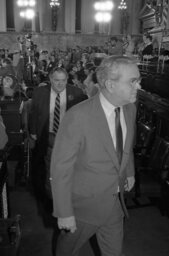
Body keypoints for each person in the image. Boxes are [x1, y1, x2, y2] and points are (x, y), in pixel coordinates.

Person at [50, 55, 141, 256]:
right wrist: (64, 212)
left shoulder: (129, 108)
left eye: (138, 80)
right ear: (110, 84)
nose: (138, 86)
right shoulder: (78, 116)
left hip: (114, 202)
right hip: (84, 206)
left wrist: (130, 171)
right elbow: (60, 168)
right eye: (132, 81)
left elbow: (126, 145)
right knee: (66, 251)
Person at [29, 67, 88, 203]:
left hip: (68, 137)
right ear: (50, 80)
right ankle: (51, 197)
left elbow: (82, 117)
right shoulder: (39, 92)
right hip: (47, 134)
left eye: (63, 80)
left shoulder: (77, 93)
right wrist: (33, 131)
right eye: (56, 80)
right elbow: (34, 113)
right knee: (48, 165)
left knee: (67, 166)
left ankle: (67, 194)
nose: (60, 84)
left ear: (67, 80)